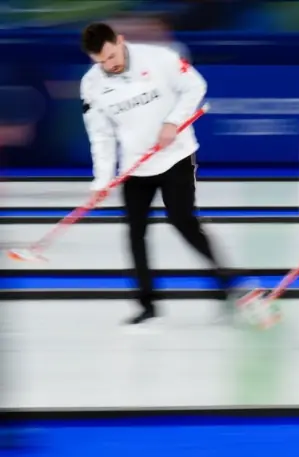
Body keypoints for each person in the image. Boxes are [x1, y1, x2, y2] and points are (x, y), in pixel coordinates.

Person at [79, 23, 232, 326]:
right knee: (135, 232)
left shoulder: (159, 57)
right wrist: (102, 180)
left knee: (183, 220)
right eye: (102, 62)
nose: (110, 65)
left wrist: (173, 121)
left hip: (175, 155)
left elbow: (195, 86)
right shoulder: (91, 84)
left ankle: (226, 284)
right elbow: (101, 135)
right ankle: (147, 303)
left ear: (120, 41)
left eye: (112, 56)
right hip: (135, 166)